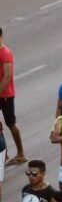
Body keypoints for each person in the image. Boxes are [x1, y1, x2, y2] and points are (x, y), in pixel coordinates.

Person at [0, 27, 26, 164]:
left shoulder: (5, 53)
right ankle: (4, 154)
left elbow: (7, 76)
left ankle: (21, 152)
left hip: (5, 95)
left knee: (11, 123)